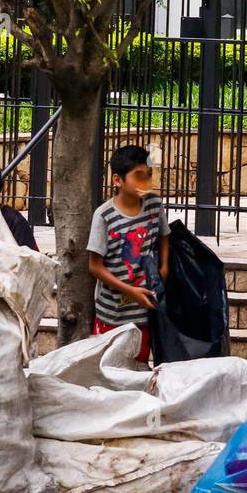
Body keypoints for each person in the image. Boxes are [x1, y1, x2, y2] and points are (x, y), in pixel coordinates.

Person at [87, 145, 170, 364]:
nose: (145, 181)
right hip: (112, 312)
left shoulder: (154, 205)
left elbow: (164, 236)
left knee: (139, 365)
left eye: (149, 175)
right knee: (108, 368)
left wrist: (164, 268)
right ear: (117, 180)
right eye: (138, 176)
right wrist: (130, 291)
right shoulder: (104, 215)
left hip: (144, 312)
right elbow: (95, 266)